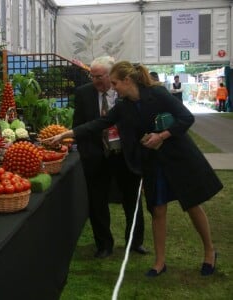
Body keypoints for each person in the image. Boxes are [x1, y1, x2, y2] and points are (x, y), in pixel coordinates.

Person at [42, 61, 223, 277]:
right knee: (157, 209)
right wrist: (65, 134)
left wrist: (161, 135)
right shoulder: (124, 105)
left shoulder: (157, 94)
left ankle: (210, 251)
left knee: (193, 204)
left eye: (116, 82)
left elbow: (187, 118)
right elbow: (99, 124)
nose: (113, 86)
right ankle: (159, 262)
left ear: (127, 80)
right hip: (153, 162)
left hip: (178, 158)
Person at [72, 56, 147, 259]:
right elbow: (78, 124)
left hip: (124, 155)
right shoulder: (83, 94)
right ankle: (104, 245)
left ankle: (135, 242)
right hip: (96, 157)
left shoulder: (124, 91)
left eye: (100, 76)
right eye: (92, 76)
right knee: (97, 202)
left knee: (132, 200)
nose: (96, 80)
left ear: (110, 75)